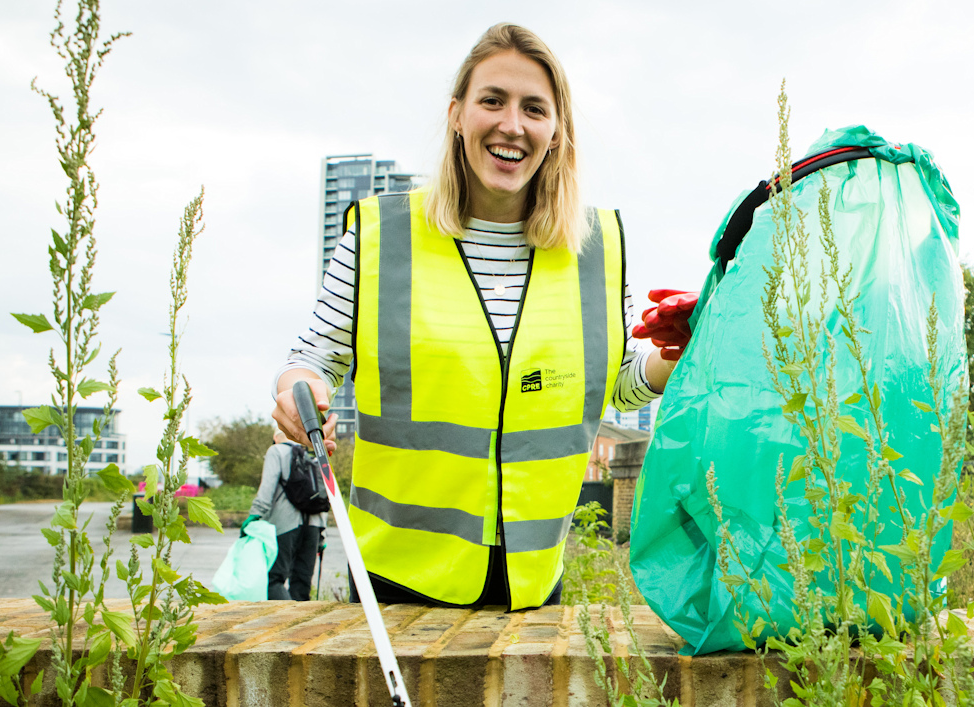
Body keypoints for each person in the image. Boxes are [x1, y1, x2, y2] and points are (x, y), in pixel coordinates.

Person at [270, 23, 690, 610]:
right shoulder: (379, 237)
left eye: (534, 108)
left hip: (534, 585)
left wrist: (675, 357)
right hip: (399, 585)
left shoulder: (596, 248)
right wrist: (300, 392)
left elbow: (618, 380)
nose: (511, 124)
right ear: (457, 114)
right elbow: (310, 361)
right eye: (492, 100)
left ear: (556, 131)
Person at [246, 430, 327, 601]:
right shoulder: (310, 455)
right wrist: (322, 535)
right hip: (313, 526)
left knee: (274, 579)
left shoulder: (275, 451)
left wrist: (254, 516)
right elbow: (322, 495)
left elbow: (267, 488)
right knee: (302, 581)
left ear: (276, 438)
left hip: (285, 524)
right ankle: (301, 624)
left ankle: (286, 621)